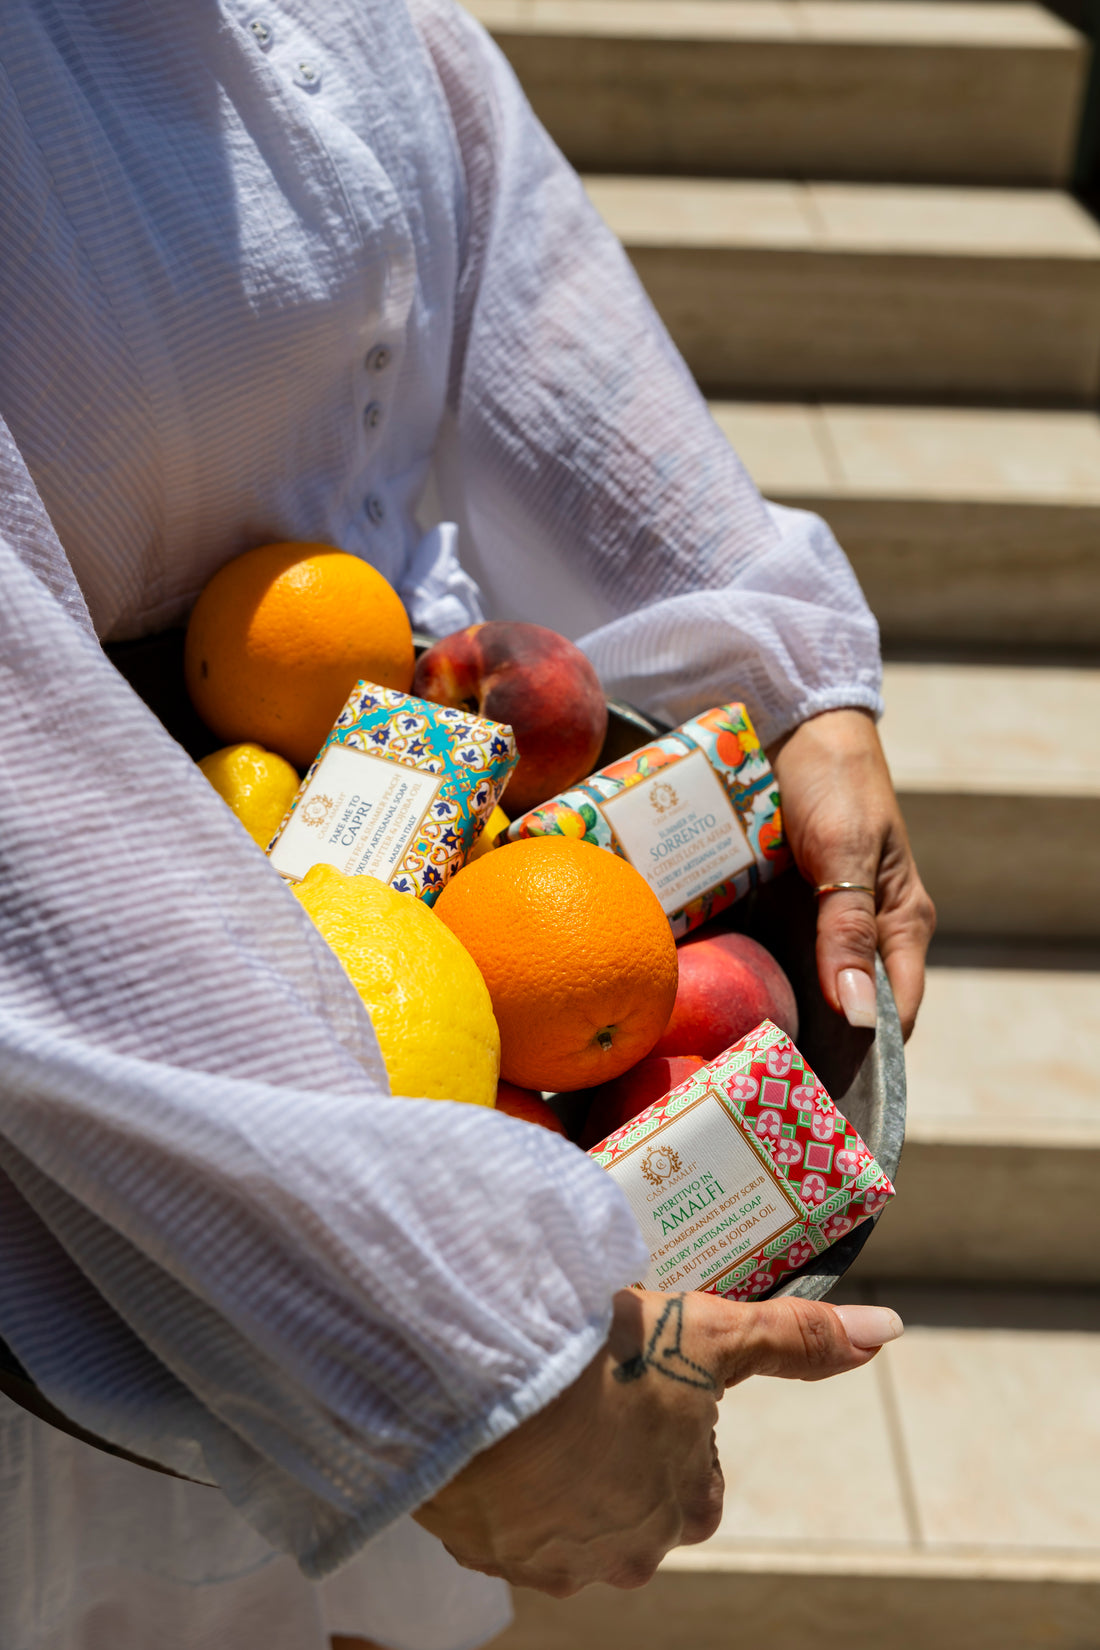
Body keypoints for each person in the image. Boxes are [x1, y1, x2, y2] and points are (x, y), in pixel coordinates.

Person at [0, 1, 935, 1646]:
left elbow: (502, 230)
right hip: (123, 1174)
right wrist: (447, 1330)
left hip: (406, 1061)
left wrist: (786, 671)